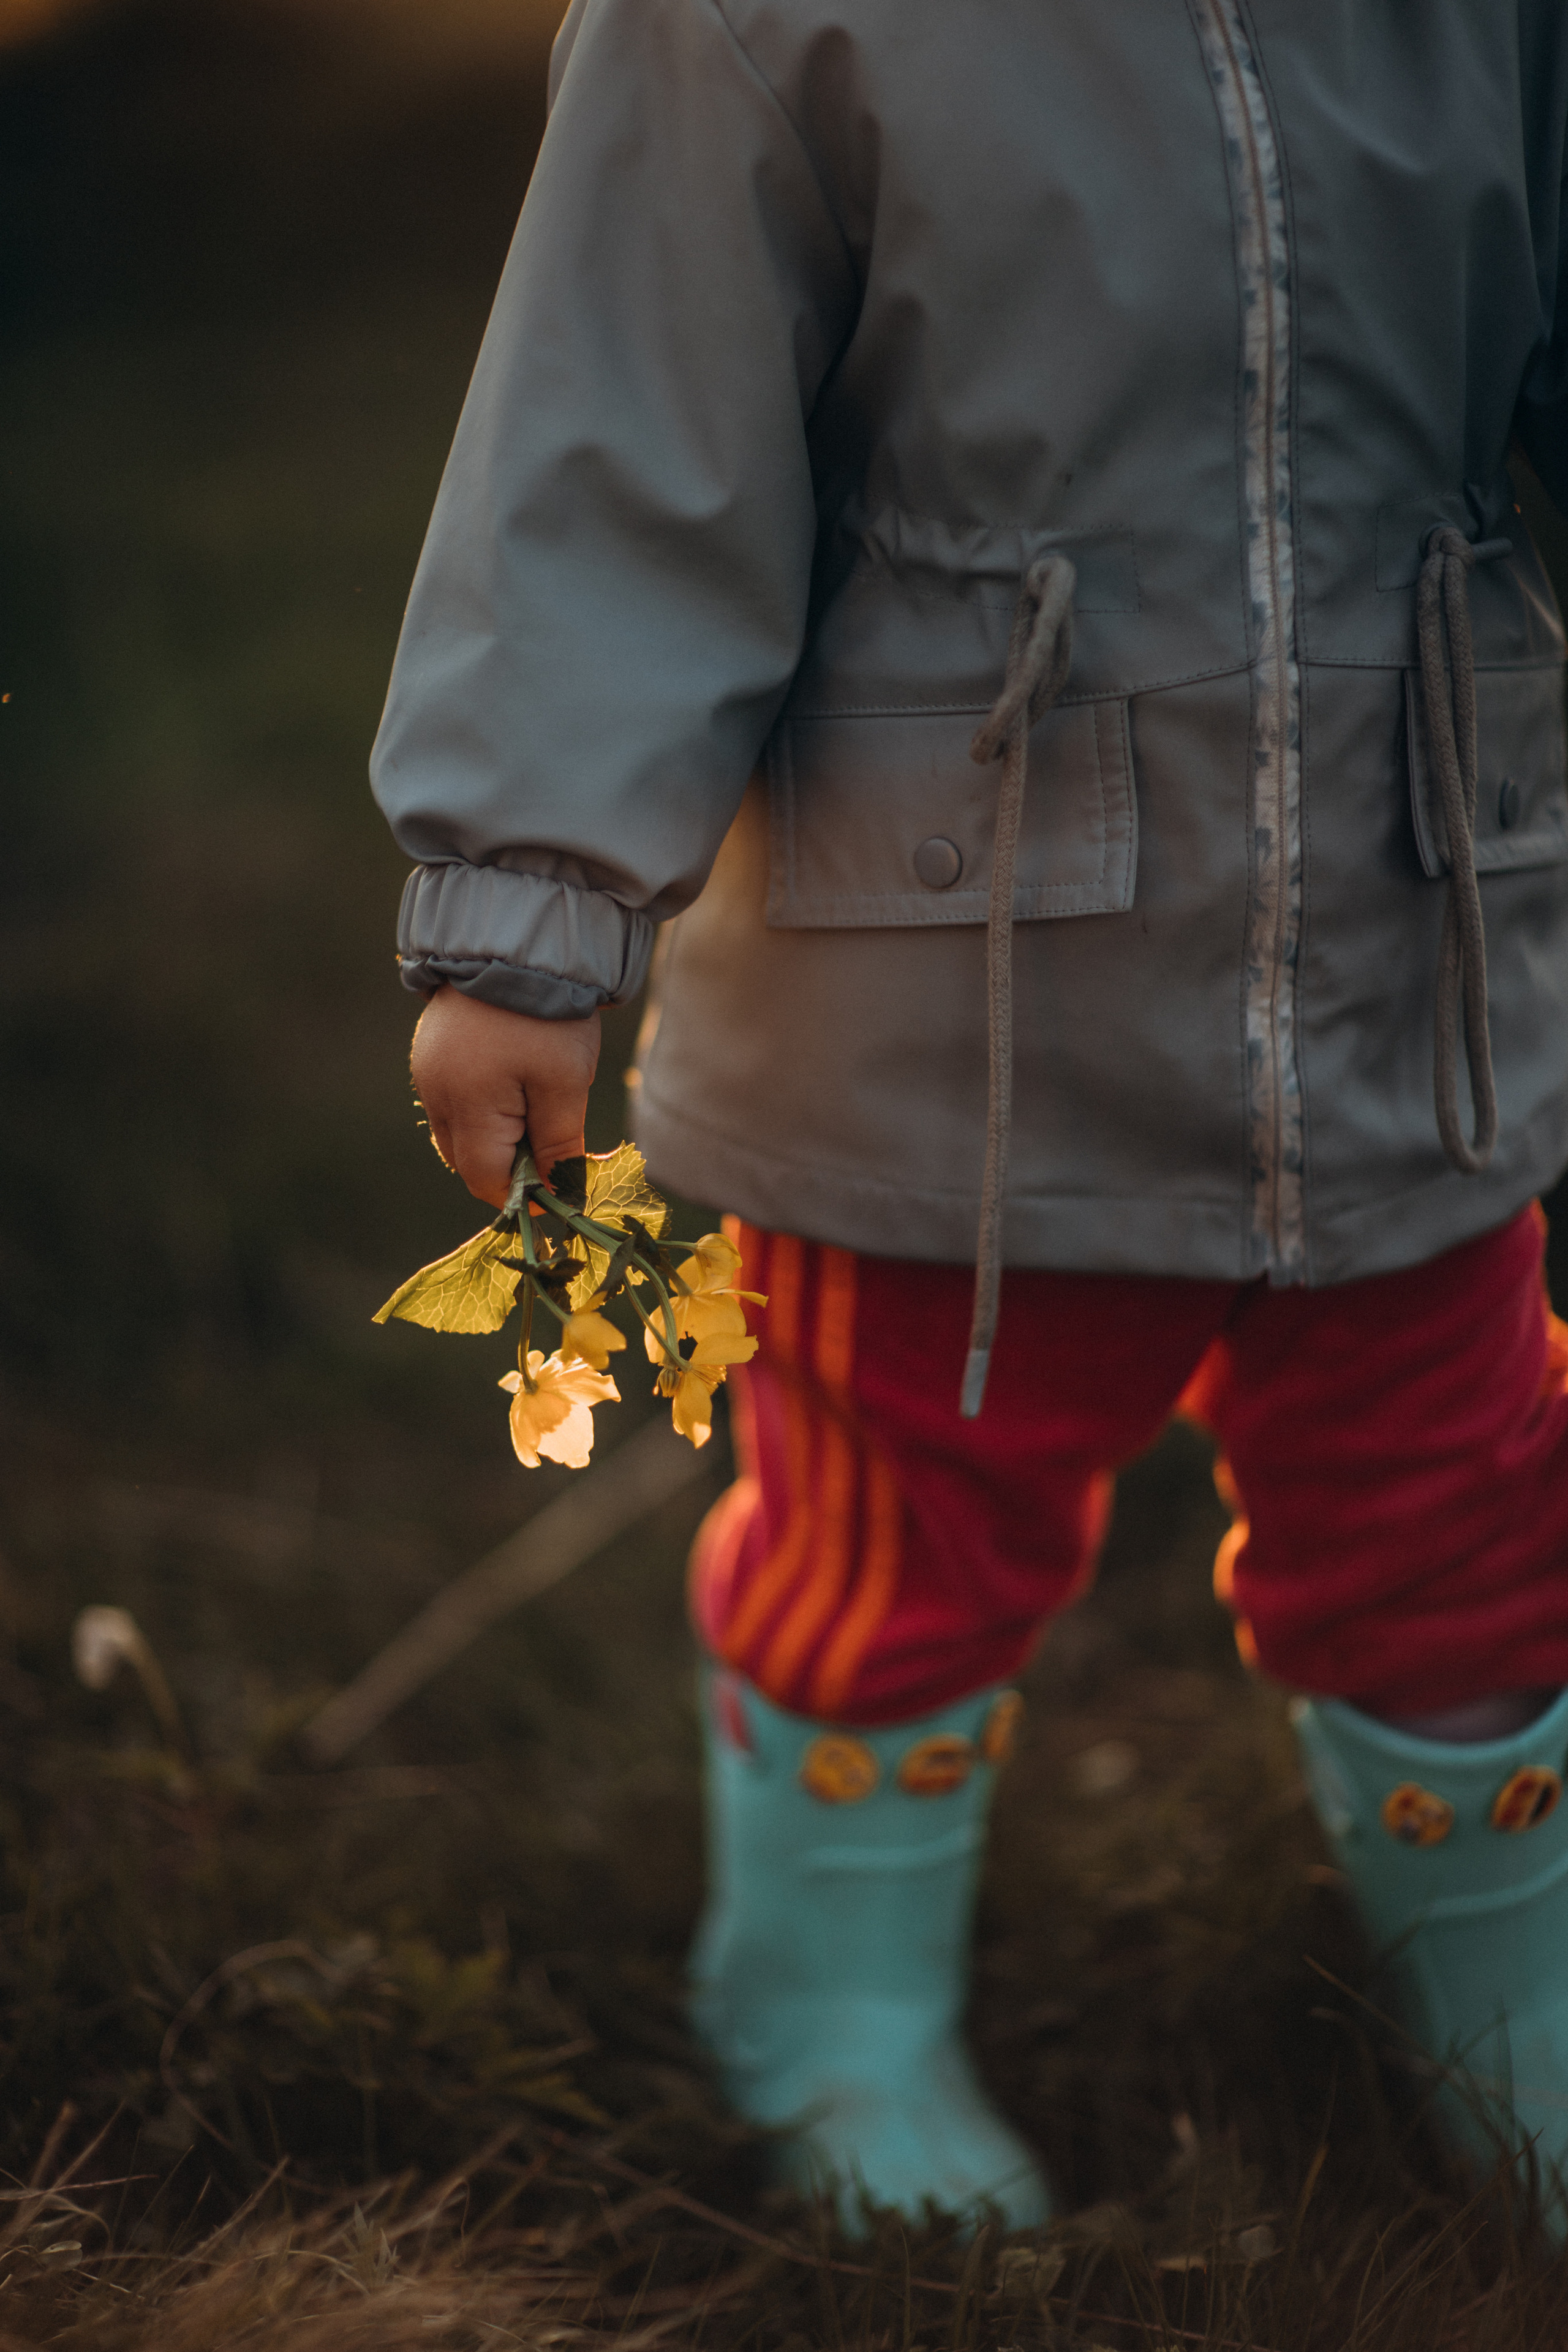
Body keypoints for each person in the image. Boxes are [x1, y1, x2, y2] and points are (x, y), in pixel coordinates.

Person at [372, 0, 1568, 2230]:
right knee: (905, 1518)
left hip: (1413, 950)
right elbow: (624, 436)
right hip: (944, 997)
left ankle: (1517, 1996)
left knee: (1467, 1496)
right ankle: (825, 1999)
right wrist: (525, 893)